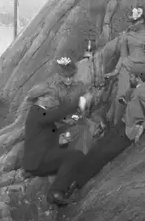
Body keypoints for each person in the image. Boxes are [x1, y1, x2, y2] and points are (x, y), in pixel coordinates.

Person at [22, 56, 93, 206]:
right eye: (48, 96)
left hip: (42, 156)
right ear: (40, 98)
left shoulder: (39, 111)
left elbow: (50, 131)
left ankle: (66, 180)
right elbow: (54, 115)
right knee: (73, 155)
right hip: (38, 162)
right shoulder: (37, 112)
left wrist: (61, 139)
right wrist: (77, 104)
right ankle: (56, 191)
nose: (51, 98)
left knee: (73, 144)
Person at [104, 7, 145, 126]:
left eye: (136, 21)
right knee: (120, 93)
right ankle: (116, 123)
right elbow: (123, 56)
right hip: (129, 65)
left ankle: (127, 117)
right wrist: (115, 71)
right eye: (132, 22)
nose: (134, 24)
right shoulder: (126, 36)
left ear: (142, 21)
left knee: (131, 90)